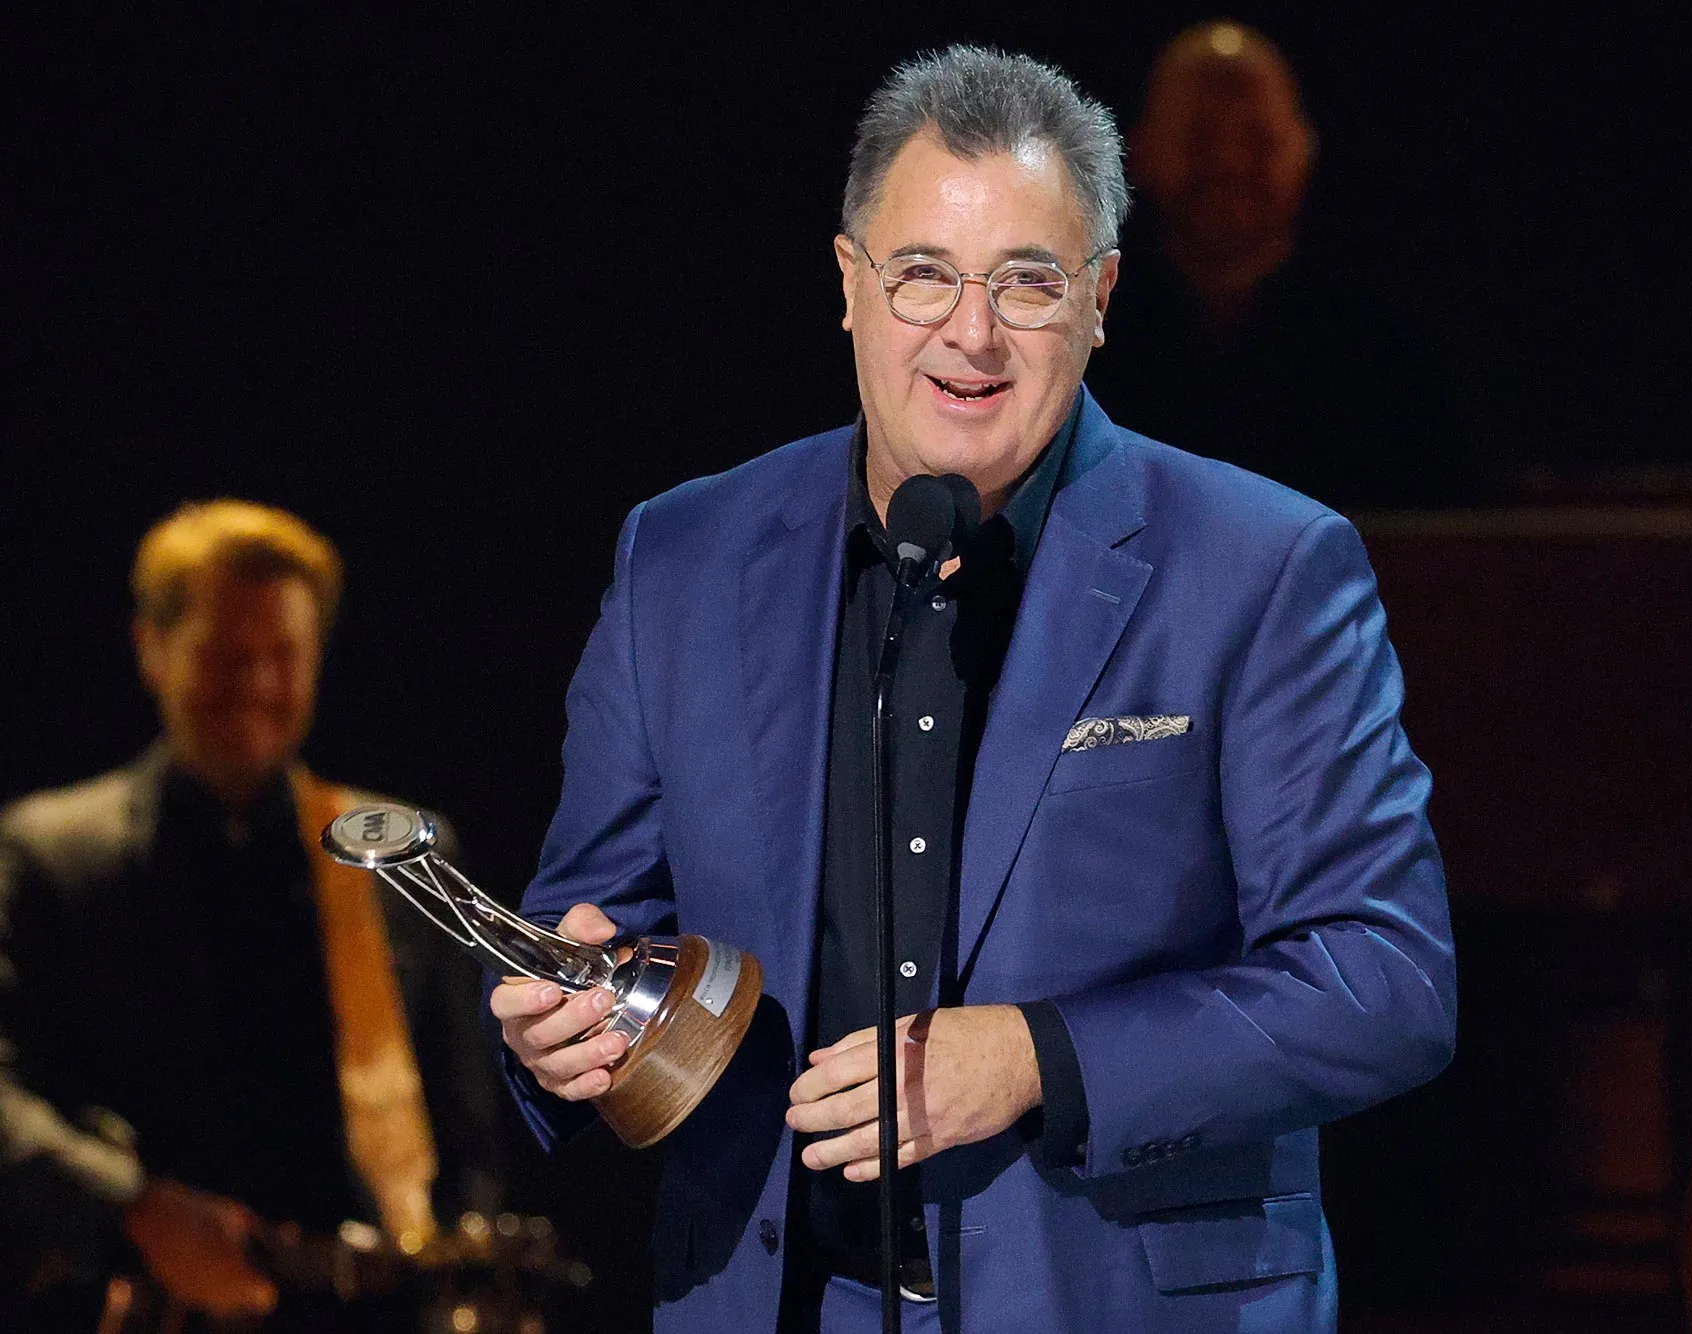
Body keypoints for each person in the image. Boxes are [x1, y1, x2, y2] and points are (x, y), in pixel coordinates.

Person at [492, 47, 1455, 1334]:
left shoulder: (1261, 565)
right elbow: (594, 921)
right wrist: (567, 1030)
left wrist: (1037, 1057)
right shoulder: (681, 554)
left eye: (1027, 281)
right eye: (925, 275)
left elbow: (1382, 976)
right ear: (848, 285)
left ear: (1102, 296)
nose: (971, 331)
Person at [0, 501, 501, 1331]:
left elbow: (467, 1136)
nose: (259, 687)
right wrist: (131, 1205)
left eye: (285, 656)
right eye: (226, 657)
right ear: (151, 649)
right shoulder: (47, 856)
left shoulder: (401, 853)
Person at [1086, 20, 1488, 511]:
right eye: (1199, 138)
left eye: (1256, 138)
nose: (1228, 161)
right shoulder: (1084, 346)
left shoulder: (1387, 356)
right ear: (1140, 152)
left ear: (1304, 150)